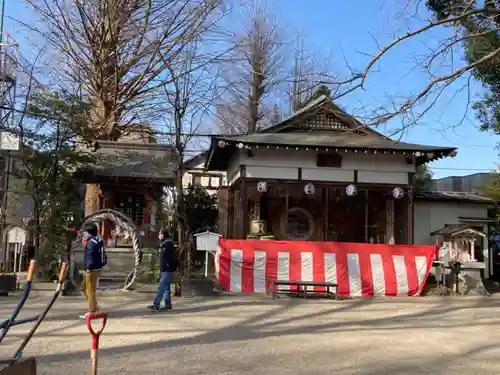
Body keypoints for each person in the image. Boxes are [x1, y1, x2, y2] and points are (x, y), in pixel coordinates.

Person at [80, 223, 107, 319]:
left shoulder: (91, 242)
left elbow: (90, 256)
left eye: (85, 232)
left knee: (90, 291)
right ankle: (94, 305)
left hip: (91, 269)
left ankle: (92, 311)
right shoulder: (98, 240)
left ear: (89, 232)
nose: (84, 234)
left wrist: (88, 268)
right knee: (83, 287)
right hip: (97, 268)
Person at [148, 229, 179, 311]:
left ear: (164, 235)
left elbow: (170, 257)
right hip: (165, 269)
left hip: (167, 270)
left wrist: (169, 264)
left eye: (160, 234)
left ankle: (156, 305)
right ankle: (168, 305)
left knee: (161, 287)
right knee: (166, 288)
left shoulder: (168, 245)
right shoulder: (164, 244)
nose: (159, 236)